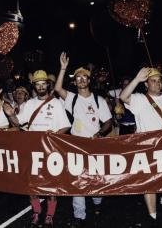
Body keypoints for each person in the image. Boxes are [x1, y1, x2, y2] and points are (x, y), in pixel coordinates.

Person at [4, 70, 71, 228]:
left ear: (48, 85)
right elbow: (17, 123)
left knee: (50, 186)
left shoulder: (56, 103)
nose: (41, 87)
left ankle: (49, 215)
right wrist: (10, 115)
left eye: (43, 84)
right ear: (34, 86)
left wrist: (53, 135)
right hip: (33, 150)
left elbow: (66, 126)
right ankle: (36, 212)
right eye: (37, 84)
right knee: (32, 184)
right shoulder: (30, 104)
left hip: (51, 150)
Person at [120, 67, 162, 227]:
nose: (157, 83)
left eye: (159, 80)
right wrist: (136, 78)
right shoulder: (140, 99)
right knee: (149, 183)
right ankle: (152, 217)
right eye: (153, 81)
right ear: (146, 84)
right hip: (147, 149)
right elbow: (123, 96)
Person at [54, 52, 112, 228]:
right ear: (75, 81)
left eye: (84, 77)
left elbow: (108, 122)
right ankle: (79, 215)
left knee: (95, 181)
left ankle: (97, 202)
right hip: (76, 145)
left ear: (89, 80)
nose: (81, 80)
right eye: (78, 78)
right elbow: (57, 89)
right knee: (77, 181)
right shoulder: (71, 98)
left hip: (94, 145)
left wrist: (100, 134)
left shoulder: (98, 100)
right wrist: (63, 68)